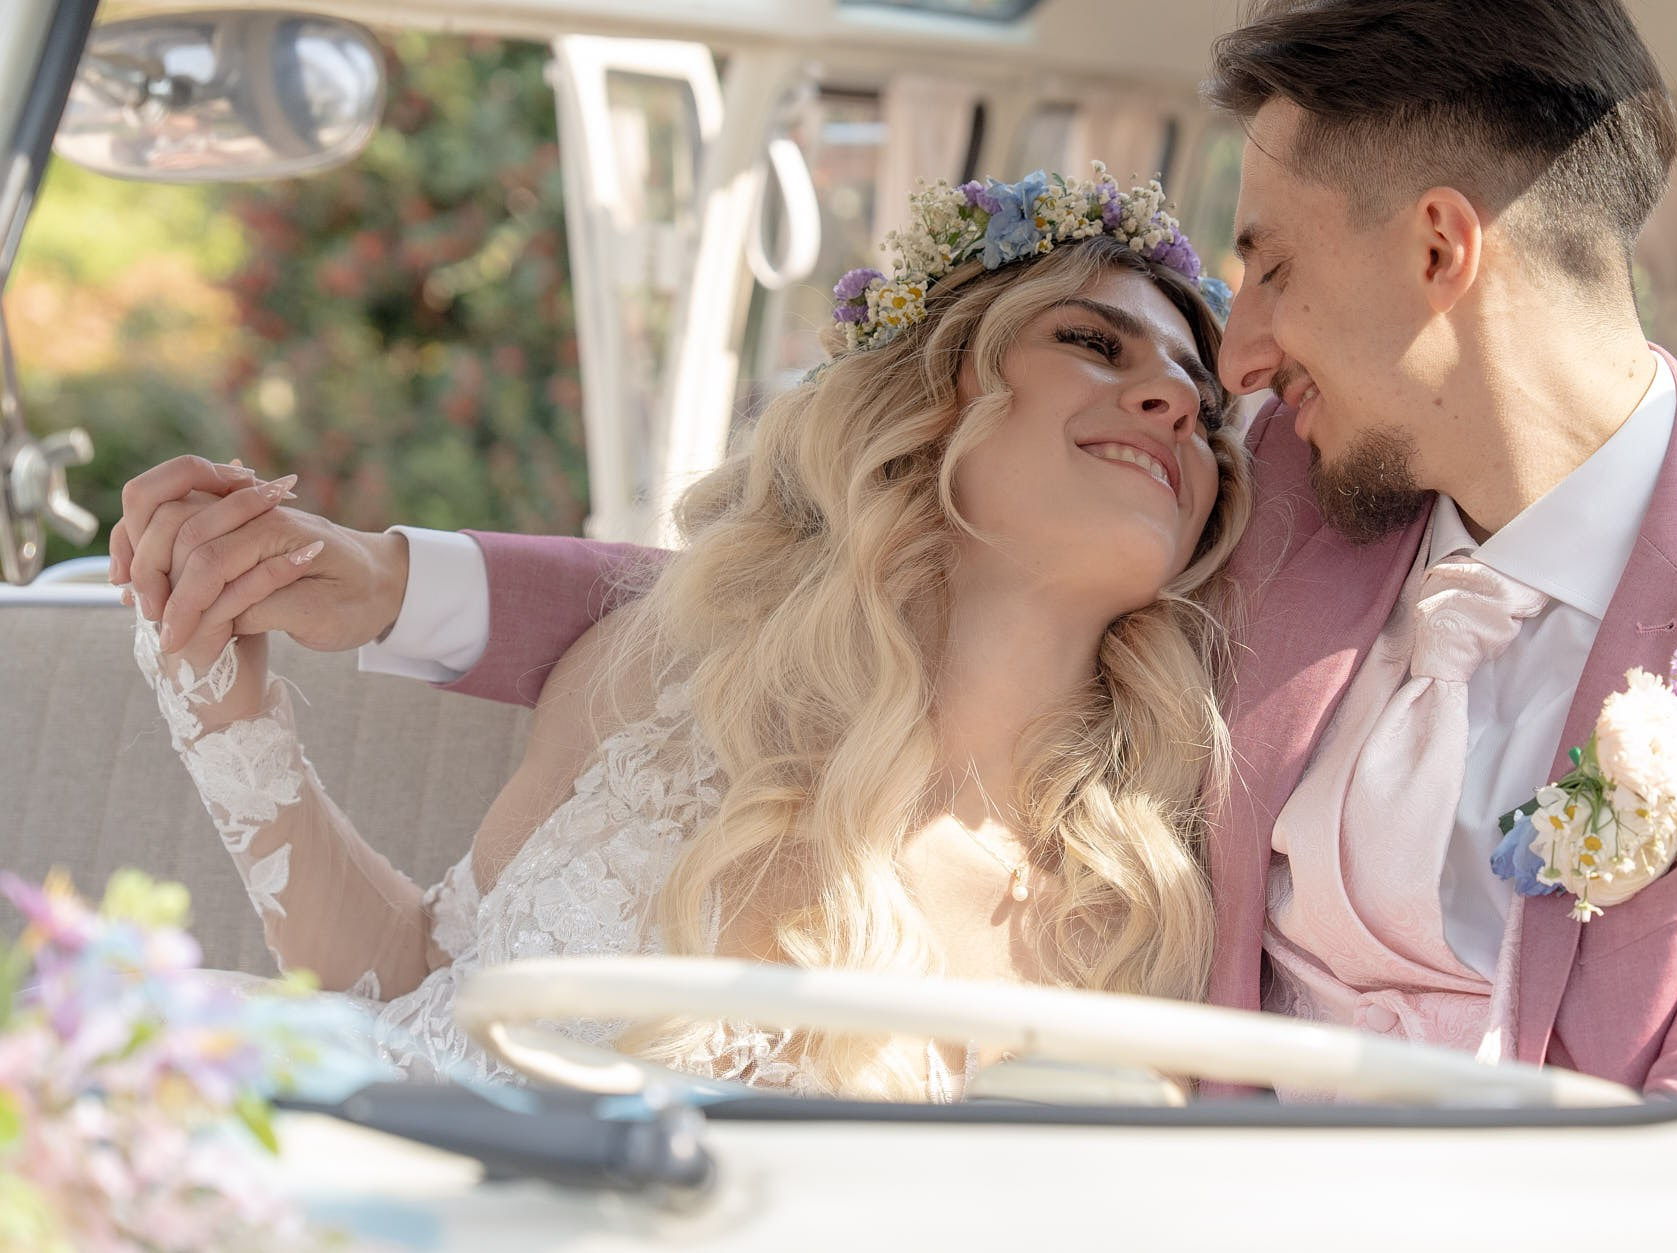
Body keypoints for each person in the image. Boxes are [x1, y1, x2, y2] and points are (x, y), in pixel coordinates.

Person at [118, 0, 1677, 1100]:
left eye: (1263, 268)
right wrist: (377, 583)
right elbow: (758, 583)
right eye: (1112, 346)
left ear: (1438, 250)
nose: (1239, 365)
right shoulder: (1288, 488)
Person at [122, 170, 1252, 1101]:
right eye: (1095, 345)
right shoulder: (663, 672)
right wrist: (225, 714)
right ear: (933, 394)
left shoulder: (1131, 906)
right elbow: (416, 987)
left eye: (1204, 407)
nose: (1169, 401)